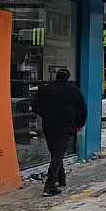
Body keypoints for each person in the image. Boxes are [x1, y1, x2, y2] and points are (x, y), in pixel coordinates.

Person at [31, 68, 87, 197]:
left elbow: (35, 106)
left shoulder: (46, 90)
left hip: (49, 126)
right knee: (58, 155)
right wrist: (79, 124)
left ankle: (61, 179)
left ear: (56, 77)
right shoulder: (74, 90)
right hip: (66, 127)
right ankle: (50, 185)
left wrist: (45, 115)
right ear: (68, 78)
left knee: (56, 154)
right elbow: (82, 110)